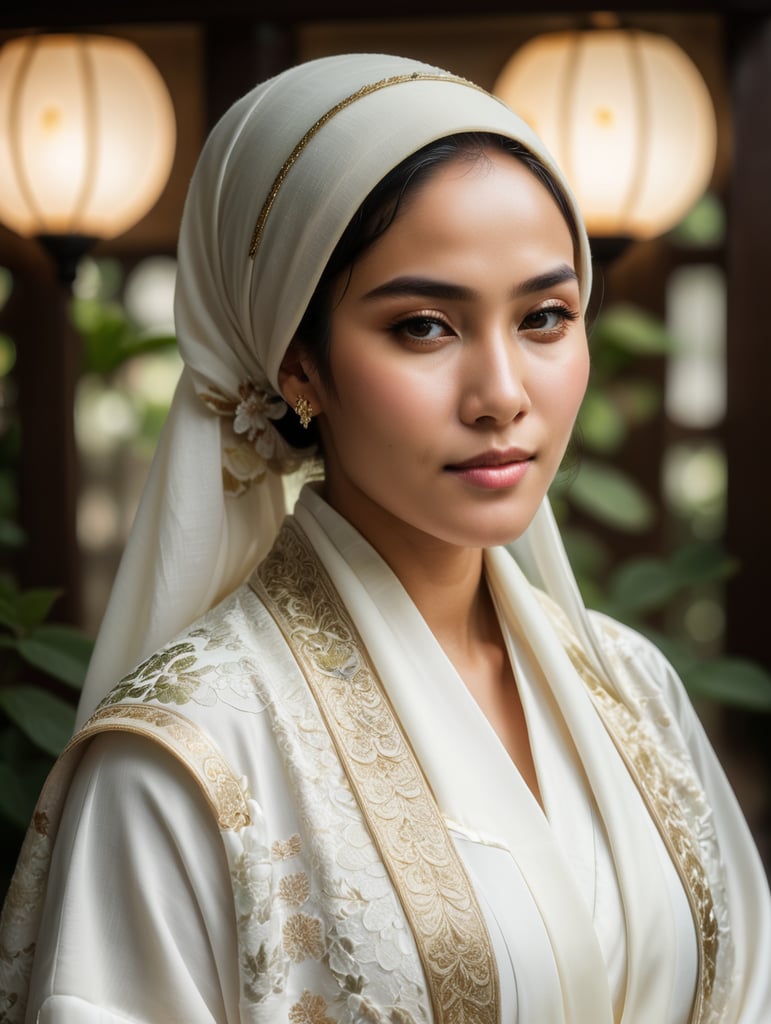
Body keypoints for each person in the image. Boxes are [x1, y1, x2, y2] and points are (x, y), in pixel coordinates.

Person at [1, 52, 769, 1024]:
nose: (502, 395)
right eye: (423, 326)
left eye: (544, 316)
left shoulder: (633, 690)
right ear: (298, 365)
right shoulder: (186, 757)